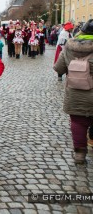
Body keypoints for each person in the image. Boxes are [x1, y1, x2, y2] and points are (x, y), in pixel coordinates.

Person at [53, 19, 93, 164]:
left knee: (78, 122)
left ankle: (80, 154)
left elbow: (58, 68)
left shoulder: (70, 46)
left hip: (76, 92)